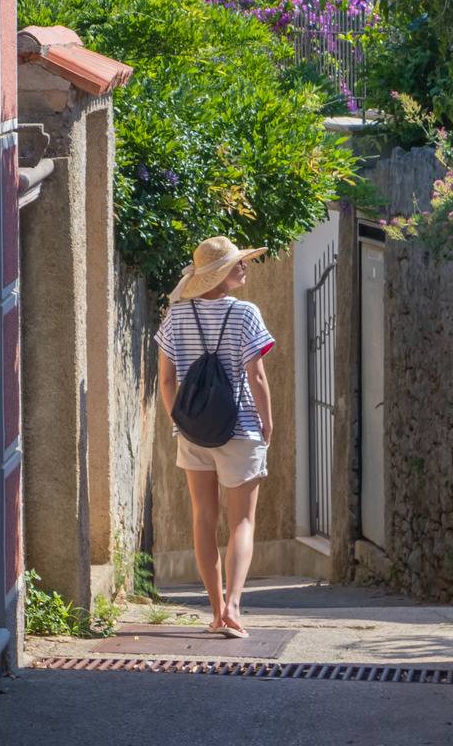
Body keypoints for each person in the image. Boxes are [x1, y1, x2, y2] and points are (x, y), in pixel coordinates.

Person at [156, 235, 275, 639]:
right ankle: (235, 606)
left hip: (193, 433)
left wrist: (181, 421)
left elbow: (167, 380)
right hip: (240, 427)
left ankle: (214, 609)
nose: (244, 267)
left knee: (203, 517)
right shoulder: (245, 314)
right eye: (237, 263)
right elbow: (256, 377)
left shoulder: (176, 315)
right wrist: (267, 422)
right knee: (241, 519)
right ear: (219, 274)